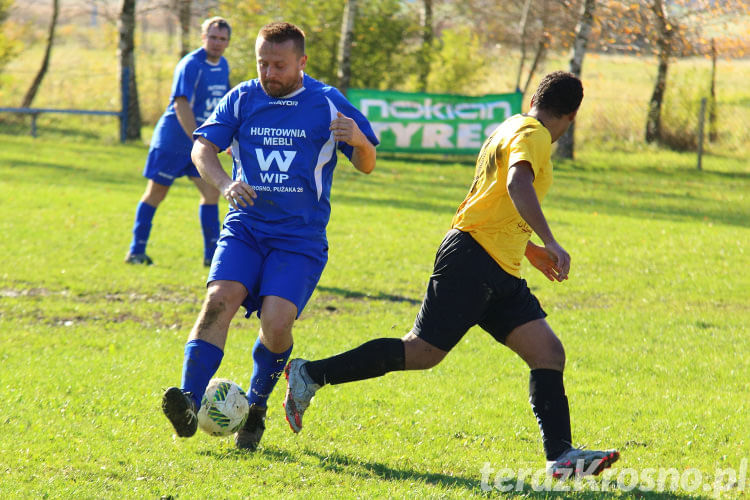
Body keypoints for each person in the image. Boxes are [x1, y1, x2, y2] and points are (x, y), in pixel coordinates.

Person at [283, 71, 620, 479]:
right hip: (472, 260)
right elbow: (516, 183)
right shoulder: (535, 135)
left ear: (535, 97)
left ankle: (561, 457)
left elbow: (491, 199)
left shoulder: (512, 125)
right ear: (571, 115)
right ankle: (311, 374)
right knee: (422, 352)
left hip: (499, 265)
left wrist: (528, 248)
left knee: (548, 353)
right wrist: (550, 240)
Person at [160, 22, 378, 452]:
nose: (269, 73)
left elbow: (367, 162)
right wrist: (224, 184)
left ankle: (255, 408)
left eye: (279, 65)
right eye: (262, 63)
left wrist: (358, 140)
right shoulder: (243, 97)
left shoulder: (327, 101)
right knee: (218, 301)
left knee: (277, 325)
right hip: (245, 228)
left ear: (301, 62)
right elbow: (201, 147)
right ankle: (187, 398)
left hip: (299, 239)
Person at [125, 17, 231, 267]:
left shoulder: (223, 65)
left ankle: (211, 256)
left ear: (228, 42)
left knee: (212, 191)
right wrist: (198, 140)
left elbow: (222, 103)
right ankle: (136, 251)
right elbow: (181, 103)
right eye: (213, 37)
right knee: (156, 194)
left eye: (222, 39)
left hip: (198, 142)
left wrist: (224, 137)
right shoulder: (191, 65)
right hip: (174, 140)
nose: (217, 43)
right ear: (203, 38)